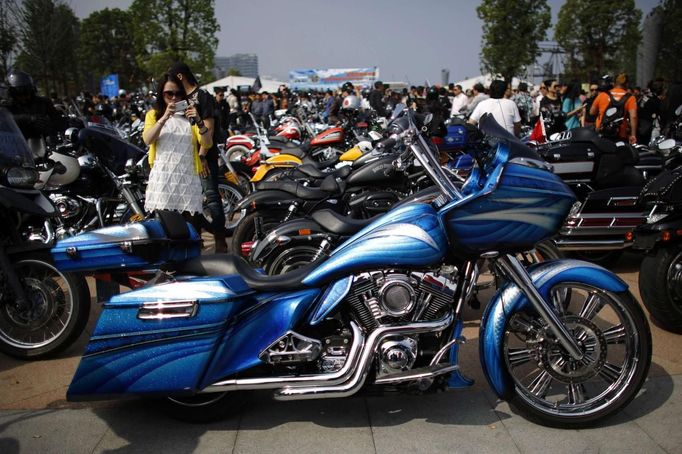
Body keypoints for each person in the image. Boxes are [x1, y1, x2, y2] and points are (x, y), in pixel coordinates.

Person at [168, 61, 228, 253]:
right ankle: (196, 240)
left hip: (204, 156)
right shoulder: (180, 99)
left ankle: (220, 239)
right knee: (189, 200)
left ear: (180, 77)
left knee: (211, 197)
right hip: (184, 156)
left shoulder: (202, 96)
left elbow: (209, 126)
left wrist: (202, 155)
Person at [142, 73, 211, 219]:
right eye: (169, 94)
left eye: (178, 94)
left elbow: (207, 143)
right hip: (163, 178)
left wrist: (199, 121)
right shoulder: (153, 115)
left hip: (187, 178)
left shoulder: (190, 117)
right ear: (161, 94)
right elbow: (148, 139)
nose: (174, 98)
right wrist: (165, 117)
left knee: (191, 227)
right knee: (165, 227)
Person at [5, 70, 65, 147]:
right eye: (19, 93)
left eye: (27, 92)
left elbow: (57, 120)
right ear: (12, 93)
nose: (24, 96)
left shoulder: (43, 102)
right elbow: (5, 120)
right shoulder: (7, 106)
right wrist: (29, 119)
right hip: (16, 148)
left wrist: (51, 128)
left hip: (44, 147)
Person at [589, 72, 638, 144]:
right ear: (627, 84)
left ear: (614, 83)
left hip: (602, 133)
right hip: (620, 134)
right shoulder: (630, 98)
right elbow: (633, 117)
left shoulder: (602, 95)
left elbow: (592, 112)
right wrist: (633, 135)